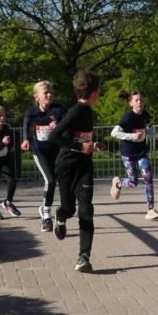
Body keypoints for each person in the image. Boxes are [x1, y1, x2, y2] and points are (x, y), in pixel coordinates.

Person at [49, 71, 104, 274]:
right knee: (68, 208)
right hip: (66, 166)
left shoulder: (89, 112)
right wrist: (79, 148)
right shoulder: (75, 111)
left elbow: (83, 139)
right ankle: (60, 217)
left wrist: (94, 144)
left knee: (86, 211)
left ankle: (84, 257)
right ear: (93, 92)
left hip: (84, 167)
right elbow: (54, 135)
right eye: (99, 90)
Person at [110, 90, 158, 221]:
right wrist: (132, 136)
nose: (139, 102)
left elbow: (145, 128)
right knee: (133, 182)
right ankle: (118, 183)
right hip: (128, 153)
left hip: (141, 152)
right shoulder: (128, 117)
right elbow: (114, 133)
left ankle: (150, 209)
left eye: (141, 100)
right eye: (136, 100)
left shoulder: (144, 115)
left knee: (148, 177)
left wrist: (154, 135)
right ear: (131, 103)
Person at [21, 80, 65, 232]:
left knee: (58, 180)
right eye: (45, 92)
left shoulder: (58, 110)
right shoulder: (31, 112)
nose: (49, 94)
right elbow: (26, 126)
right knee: (50, 181)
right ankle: (46, 216)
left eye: (51, 92)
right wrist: (25, 139)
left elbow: (67, 124)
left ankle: (46, 210)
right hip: (39, 150)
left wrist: (58, 125)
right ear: (36, 97)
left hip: (56, 150)